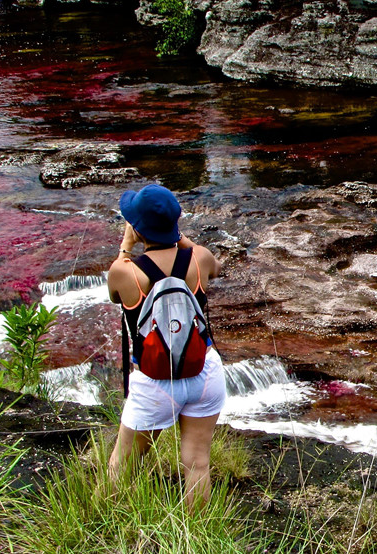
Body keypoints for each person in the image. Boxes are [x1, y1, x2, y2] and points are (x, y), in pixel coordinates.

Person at [106, 183, 225, 509]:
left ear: (138, 228)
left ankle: (107, 524)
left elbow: (114, 295)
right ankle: (198, 531)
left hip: (154, 379)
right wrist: (180, 238)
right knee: (197, 463)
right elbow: (217, 267)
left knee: (122, 465)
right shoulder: (200, 259)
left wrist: (126, 246)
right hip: (204, 371)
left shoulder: (125, 271)